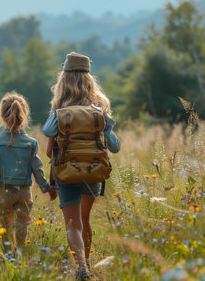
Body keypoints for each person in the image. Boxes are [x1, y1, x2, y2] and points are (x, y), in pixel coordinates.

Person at [42, 52, 121, 280]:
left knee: (73, 225)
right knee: (85, 220)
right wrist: (107, 124)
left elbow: (48, 133)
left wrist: (59, 114)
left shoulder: (60, 107)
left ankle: (82, 268)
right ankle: (87, 263)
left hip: (66, 171)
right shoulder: (99, 108)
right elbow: (114, 146)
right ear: (89, 79)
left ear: (64, 78)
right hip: (93, 171)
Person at [0, 92, 57, 247]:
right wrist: (47, 188)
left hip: (4, 192)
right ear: (24, 114)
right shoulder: (31, 143)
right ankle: (21, 254)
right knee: (22, 225)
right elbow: (37, 169)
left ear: (2, 116)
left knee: (6, 227)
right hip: (24, 191)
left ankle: (9, 257)